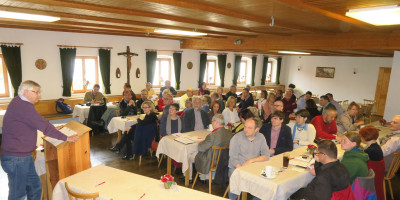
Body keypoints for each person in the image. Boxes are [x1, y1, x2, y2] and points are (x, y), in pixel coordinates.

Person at [1, 80, 79, 200]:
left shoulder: (19, 101)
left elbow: (37, 122)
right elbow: (43, 126)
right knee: (18, 194)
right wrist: (67, 137)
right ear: (26, 92)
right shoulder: (23, 106)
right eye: (36, 92)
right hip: (17, 158)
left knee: (35, 187)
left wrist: (52, 128)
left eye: (39, 92)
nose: (39, 95)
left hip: (22, 156)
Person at [228, 117, 270, 200]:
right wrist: (242, 171)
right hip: (237, 167)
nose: (246, 129)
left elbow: (266, 155)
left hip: (253, 168)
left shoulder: (261, 137)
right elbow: (233, 158)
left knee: (266, 184)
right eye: (245, 126)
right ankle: (232, 198)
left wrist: (251, 160)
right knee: (236, 181)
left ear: (256, 129)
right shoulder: (237, 138)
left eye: (249, 128)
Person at [191, 114, 232, 182]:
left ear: (216, 122)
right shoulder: (229, 133)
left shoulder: (212, 135)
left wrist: (200, 143)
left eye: (212, 121)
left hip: (212, 162)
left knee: (191, 156)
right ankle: (203, 177)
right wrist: (204, 141)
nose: (211, 123)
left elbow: (201, 148)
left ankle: (199, 178)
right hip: (224, 161)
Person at [360, 126, 385, 200]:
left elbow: (361, 160)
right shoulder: (376, 147)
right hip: (378, 177)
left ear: (365, 137)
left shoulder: (370, 151)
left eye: (361, 136)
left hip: (372, 180)